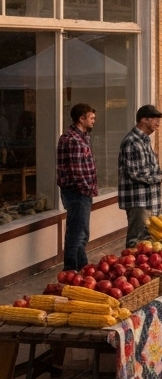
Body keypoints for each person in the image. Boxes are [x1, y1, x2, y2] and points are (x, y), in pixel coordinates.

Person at [119, 105, 162, 247]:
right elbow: (135, 173)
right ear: (143, 120)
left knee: (149, 242)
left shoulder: (145, 140)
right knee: (136, 241)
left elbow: (148, 169)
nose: (158, 123)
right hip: (139, 201)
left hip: (150, 201)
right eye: (155, 119)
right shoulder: (132, 141)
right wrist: (160, 178)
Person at [56, 104, 99, 270]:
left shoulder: (81, 137)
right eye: (91, 118)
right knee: (77, 234)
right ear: (81, 118)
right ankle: (71, 270)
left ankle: (83, 267)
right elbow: (76, 172)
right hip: (77, 193)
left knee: (81, 233)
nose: (94, 121)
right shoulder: (73, 140)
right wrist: (87, 190)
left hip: (80, 193)